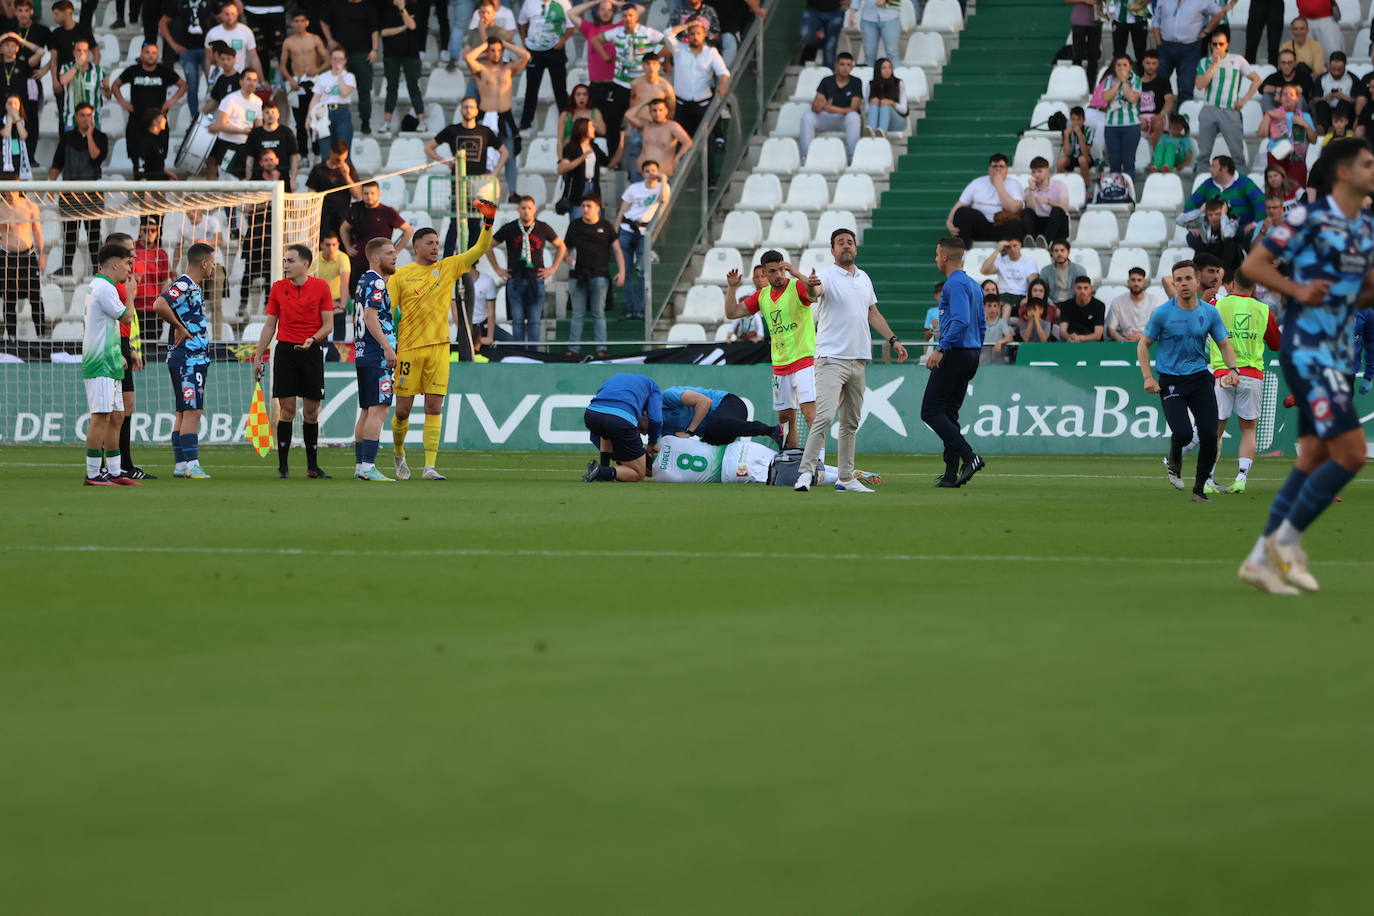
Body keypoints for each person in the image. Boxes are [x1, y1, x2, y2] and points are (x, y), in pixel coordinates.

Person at [1236, 138, 1374, 593]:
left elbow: (1360, 292)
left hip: (1337, 349)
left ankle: (1258, 559)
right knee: (1352, 453)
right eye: (1367, 164)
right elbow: (1254, 266)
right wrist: (1297, 292)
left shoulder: (1364, 227)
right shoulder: (1308, 219)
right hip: (1307, 347)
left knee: (1315, 455)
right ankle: (1286, 542)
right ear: (1342, 172)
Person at [389, 199, 498, 481]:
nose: (436, 247)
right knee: (402, 410)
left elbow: (480, 249)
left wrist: (487, 222)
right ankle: (399, 453)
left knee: (434, 407)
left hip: (439, 348)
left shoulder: (448, 267)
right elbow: (386, 315)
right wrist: (388, 348)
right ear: (417, 247)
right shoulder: (401, 277)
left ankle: (429, 466)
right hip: (409, 350)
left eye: (437, 242)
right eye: (430, 243)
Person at [795, 227, 907, 493]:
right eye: (840, 243)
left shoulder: (864, 278)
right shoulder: (826, 275)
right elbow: (814, 294)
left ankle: (845, 478)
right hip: (831, 359)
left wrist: (894, 340)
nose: (846, 246)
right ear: (832, 250)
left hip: (858, 360)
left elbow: (873, 313)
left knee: (850, 423)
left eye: (850, 242)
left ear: (855, 248)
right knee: (823, 418)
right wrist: (809, 285)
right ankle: (805, 473)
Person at [1137, 258, 1240, 502]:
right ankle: (1175, 459)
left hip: (1200, 378)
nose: (1183, 283)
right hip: (1171, 380)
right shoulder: (1162, 313)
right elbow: (1143, 345)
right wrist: (1148, 377)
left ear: (1196, 282)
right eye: (1178, 280)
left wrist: (1233, 369)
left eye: (1187, 279)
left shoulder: (1210, 312)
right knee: (1182, 434)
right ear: (1174, 283)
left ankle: (1199, 490)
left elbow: (1223, 344)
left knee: (1209, 434)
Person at [253, 243, 335, 479]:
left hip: (311, 351)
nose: (286, 265)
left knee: (311, 412)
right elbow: (270, 324)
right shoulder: (278, 288)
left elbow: (328, 324)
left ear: (305, 264)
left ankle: (312, 467)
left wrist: (312, 339)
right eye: (285, 261)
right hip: (286, 352)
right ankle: (283, 466)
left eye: (290, 261)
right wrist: (259, 355)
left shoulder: (321, 287)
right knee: (286, 410)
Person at [724, 250, 819, 450]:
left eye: (781, 270)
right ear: (764, 275)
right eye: (772, 272)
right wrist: (732, 288)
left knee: (810, 413)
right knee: (785, 418)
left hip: (804, 360)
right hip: (780, 365)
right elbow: (732, 313)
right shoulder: (762, 296)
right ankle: (789, 458)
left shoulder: (796, 287)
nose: (778, 275)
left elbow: (813, 294)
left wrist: (799, 275)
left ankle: (817, 464)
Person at [1204, 270, 1281, 494]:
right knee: (1248, 430)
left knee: (1216, 431)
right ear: (1255, 286)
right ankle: (1241, 478)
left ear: (1233, 284)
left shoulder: (1218, 305)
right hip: (1251, 375)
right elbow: (1276, 344)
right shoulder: (1264, 310)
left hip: (1223, 373)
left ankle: (1208, 480)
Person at [925, 237, 986, 488]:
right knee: (948, 413)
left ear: (946, 256)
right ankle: (951, 473)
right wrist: (975, 350)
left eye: (937, 255)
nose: (936, 259)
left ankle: (969, 456)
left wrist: (942, 348)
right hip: (970, 353)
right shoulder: (974, 285)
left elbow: (960, 321)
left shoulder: (954, 285)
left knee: (930, 411)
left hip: (955, 352)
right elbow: (981, 324)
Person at [80, 244, 138, 486]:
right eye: (127, 264)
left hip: (111, 360)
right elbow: (126, 317)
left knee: (117, 416)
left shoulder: (104, 286)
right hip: (100, 362)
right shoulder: (104, 288)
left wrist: (120, 354)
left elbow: (108, 326)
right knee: (101, 416)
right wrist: (132, 294)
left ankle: (115, 472)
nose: (129, 269)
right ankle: (93, 473)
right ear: (115, 264)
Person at [162, 242, 217, 480]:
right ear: (204, 262)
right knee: (193, 411)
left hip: (190, 358)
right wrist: (178, 327)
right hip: (188, 358)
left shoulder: (192, 287)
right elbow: (159, 303)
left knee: (183, 413)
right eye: (212, 262)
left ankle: (181, 464)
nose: (214, 266)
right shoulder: (183, 284)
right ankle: (192, 464)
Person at [427, 96, 507, 258]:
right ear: (461, 110)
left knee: (475, 223)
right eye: (465, 107)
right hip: (458, 183)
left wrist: (494, 174)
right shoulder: (452, 130)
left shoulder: (485, 131)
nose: (468, 110)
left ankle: (471, 261)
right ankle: (448, 259)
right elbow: (429, 148)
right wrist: (446, 163)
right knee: (455, 222)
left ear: (477, 110)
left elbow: (504, 152)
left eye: (471, 107)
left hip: (479, 185)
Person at [652, 433, 879, 486]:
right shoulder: (667, 439)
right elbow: (689, 436)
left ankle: (842, 479)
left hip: (736, 471)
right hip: (742, 450)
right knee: (790, 461)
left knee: (793, 473)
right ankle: (849, 473)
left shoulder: (661, 476)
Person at [352, 237, 399, 481]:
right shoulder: (377, 283)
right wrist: (387, 348)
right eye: (389, 253)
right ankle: (368, 467)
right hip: (377, 354)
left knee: (366, 410)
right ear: (375, 257)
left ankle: (361, 466)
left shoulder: (364, 280)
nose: (395, 256)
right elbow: (370, 317)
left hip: (362, 353)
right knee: (379, 410)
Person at [489, 196, 565, 342]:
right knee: (517, 321)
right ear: (518, 210)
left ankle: (533, 354)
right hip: (515, 279)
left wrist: (553, 269)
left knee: (534, 322)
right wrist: (498, 269)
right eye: (523, 208)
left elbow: (561, 246)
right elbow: (488, 246)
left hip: (535, 279)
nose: (526, 211)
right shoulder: (510, 228)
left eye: (529, 208)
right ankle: (519, 354)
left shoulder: (543, 227)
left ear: (535, 210)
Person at [465, 38, 531, 201]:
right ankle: (480, 193)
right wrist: (485, 44)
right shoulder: (481, 69)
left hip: (504, 115)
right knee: (482, 156)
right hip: (485, 116)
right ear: (487, 52)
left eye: (499, 50)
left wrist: (505, 43)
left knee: (508, 155)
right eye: (492, 50)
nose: (496, 54)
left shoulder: (508, 68)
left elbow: (526, 56)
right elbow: (468, 58)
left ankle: (512, 193)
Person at [597, 3, 665, 161]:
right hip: (620, 84)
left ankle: (650, 158)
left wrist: (654, 57)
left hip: (641, 84)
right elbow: (596, 40)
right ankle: (614, 158)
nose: (627, 18)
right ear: (621, 17)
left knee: (647, 120)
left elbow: (664, 42)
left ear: (637, 17)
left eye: (631, 15)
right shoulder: (617, 32)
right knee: (613, 120)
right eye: (625, 15)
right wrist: (606, 57)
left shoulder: (647, 32)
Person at [49, 102, 107, 278]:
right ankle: (66, 267)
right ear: (75, 117)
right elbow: (57, 163)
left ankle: (97, 268)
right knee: (69, 232)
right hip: (70, 191)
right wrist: (50, 186)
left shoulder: (100, 137)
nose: (85, 119)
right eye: (82, 115)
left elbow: (96, 157)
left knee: (94, 234)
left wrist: (89, 135)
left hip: (92, 191)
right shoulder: (66, 137)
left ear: (93, 117)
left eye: (89, 115)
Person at [563, 193, 624, 355]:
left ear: (597, 207)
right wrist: (566, 258)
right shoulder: (575, 226)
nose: (585, 209)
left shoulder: (606, 226)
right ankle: (573, 348)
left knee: (598, 313)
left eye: (589, 206)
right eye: (583, 206)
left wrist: (622, 271)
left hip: (600, 275)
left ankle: (601, 348)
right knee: (577, 314)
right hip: (578, 275)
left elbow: (617, 251)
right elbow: (564, 248)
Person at [112, 41, 185, 173]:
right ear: (141, 54)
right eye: (147, 52)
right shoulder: (133, 70)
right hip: (136, 122)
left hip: (158, 124)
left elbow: (183, 85)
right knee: (137, 163)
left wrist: (171, 101)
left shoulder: (164, 70)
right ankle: (139, 193)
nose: (150, 55)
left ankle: (157, 193)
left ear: (157, 55)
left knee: (158, 161)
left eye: (154, 53)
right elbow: (115, 85)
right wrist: (123, 103)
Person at [1194, 28, 1261, 165]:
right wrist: (1213, 66)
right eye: (1214, 44)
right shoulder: (1204, 62)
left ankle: (1241, 182)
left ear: (1227, 45)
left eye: (1221, 44)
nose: (1217, 47)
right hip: (1209, 109)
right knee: (1203, 155)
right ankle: (1202, 181)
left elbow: (1257, 79)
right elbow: (1200, 85)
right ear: (1210, 45)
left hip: (1230, 110)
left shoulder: (1237, 60)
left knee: (1237, 154)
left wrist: (1245, 100)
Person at [581, 371, 662, 482]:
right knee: (638, 474)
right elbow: (656, 420)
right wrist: (652, 443)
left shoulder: (614, 378)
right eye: (642, 429)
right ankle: (601, 471)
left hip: (591, 414)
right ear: (645, 413)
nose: (642, 432)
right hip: (621, 420)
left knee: (607, 433)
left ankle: (603, 472)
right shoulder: (653, 387)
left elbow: (597, 434)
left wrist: (621, 456)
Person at [616, 159, 669, 320]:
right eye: (647, 171)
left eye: (653, 170)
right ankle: (630, 308)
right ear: (643, 173)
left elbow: (664, 199)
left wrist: (663, 179)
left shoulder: (661, 187)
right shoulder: (634, 188)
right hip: (627, 229)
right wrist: (615, 228)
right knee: (626, 272)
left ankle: (640, 308)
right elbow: (623, 209)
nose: (651, 174)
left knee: (643, 272)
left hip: (644, 232)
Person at [1151, 0, 1228, 106]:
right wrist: (1158, 42)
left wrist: (1206, 31)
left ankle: (1183, 119)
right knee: (1158, 82)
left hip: (1189, 49)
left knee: (1186, 86)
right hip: (1166, 47)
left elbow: (1219, 13)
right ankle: (1158, 116)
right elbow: (1156, 20)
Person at [340, 181, 414, 291]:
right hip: (359, 261)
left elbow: (408, 230)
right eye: (366, 193)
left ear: (379, 194)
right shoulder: (355, 209)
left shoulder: (388, 212)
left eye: (372, 193)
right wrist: (347, 247)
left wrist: (396, 250)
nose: (369, 196)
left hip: (381, 262)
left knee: (381, 294)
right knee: (358, 294)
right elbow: (343, 229)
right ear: (362, 194)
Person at [663, 16, 728, 139]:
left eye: (699, 33)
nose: (695, 36)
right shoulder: (679, 49)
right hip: (681, 105)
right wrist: (688, 25)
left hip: (702, 105)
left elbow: (723, 72)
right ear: (687, 35)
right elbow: (667, 34)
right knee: (681, 141)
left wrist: (722, 84)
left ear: (704, 35)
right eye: (692, 33)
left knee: (706, 141)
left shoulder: (711, 52)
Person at [321, 0, 379, 136]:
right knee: (334, 86)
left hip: (362, 54)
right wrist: (329, 39)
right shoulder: (337, 4)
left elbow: (374, 30)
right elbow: (323, 21)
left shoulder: (368, 6)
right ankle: (331, 119)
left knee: (364, 89)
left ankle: (365, 121)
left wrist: (375, 49)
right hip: (340, 54)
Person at [516, 0, 574, 132]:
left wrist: (563, 41)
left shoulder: (563, 3)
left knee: (560, 90)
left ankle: (567, 124)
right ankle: (526, 124)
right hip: (534, 51)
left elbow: (572, 25)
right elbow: (521, 22)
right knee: (531, 89)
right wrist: (524, 40)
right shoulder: (529, 3)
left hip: (555, 50)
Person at [660, 385, 782, 445]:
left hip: (730, 403)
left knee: (717, 424)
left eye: (643, 428)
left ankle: (772, 431)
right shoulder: (660, 429)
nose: (644, 432)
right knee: (705, 453)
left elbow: (705, 402)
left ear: (645, 414)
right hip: (714, 433)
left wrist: (689, 432)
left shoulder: (667, 396)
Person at [1178, 155, 1266, 237]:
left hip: (1240, 226)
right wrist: (1192, 225)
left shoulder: (1245, 182)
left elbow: (1260, 201)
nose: (1210, 169)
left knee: (1252, 235)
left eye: (1213, 166)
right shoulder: (1208, 184)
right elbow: (1191, 203)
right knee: (1193, 237)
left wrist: (1256, 223)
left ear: (1224, 168)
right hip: (1214, 227)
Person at [279, 8, 328, 153]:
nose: (299, 24)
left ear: (307, 22)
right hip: (298, 83)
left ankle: (317, 152)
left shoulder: (315, 39)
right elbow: (282, 66)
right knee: (300, 122)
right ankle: (304, 154)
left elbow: (327, 60)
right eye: (296, 21)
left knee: (315, 118)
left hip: (314, 82)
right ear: (292, 23)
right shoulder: (288, 42)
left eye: (302, 21)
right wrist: (290, 80)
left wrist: (317, 71)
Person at [947, 153, 1024, 243]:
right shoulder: (977, 182)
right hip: (981, 226)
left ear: (1006, 170)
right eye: (994, 166)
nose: (998, 169)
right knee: (962, 212)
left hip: (1002, 226)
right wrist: (949, 221)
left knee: (1014, 224)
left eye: (1001, 166)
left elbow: (1014, 209)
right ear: (989, 169)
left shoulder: (1014, 184)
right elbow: (960, 203)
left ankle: (1006, 253)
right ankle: (964, 251)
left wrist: (1000, 188)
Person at [160, 0, 219, 117]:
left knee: (213, 83)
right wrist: (173, 45)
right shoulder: (179, 2)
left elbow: (222, 17)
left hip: (206, 49)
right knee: (192, 85)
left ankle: (215, 116)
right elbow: (162, 23)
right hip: (187, 50)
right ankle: (194, 117)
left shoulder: (210, 2)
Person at [800, 50, 862, 161]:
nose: (845, 68)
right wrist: (822, 107)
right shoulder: (826, 81)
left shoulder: (856, 82)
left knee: (854, 117)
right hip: (828, 117)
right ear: (836, 66)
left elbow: (854, 108)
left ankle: (853, 157)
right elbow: (816, 107)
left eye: (848, 65)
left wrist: (831, 108)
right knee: (807, 117)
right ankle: (806, 157)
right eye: (842, 64)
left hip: (844, 119)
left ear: (852, 67)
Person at [0, 185, 43, 339]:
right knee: (8, 298)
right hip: (6, 256)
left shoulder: (30, 206)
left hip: (28, 256)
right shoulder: (0, 207)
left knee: (36, 297)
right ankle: (11, 337)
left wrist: (42, 255)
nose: (10, 194)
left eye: (13, 190)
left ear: (19, 188)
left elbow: (37, 231)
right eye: (7, 190)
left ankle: (41, 337)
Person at [206, 67, 262, 179]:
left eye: (255, 80)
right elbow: (221, 125)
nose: (252, 83)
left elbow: (259, 126)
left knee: (243, 179)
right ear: (241, 81)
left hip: (246, 146)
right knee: (227, 179)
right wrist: (242, 131)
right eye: (249, 79)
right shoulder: (230, 99)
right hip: (228, 144)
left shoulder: (258, 102)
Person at [380, 0, 426, 135]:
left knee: (414, 88)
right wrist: (402, 28)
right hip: (391, 54)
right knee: (391, 87)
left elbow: (412, 25)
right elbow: (383, 32)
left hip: (411, 54)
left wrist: (402, 9)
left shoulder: (414, 6)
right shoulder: (385, 7)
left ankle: (422, 121)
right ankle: (386, 123)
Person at [620, 96, 691, 178]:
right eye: (654, 110)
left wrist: (678, 157)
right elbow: (628, 115)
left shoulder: (672, 126)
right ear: (650, 112)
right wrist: (646, 102)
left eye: (660, 110)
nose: (657, 114)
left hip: (662, 175)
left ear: (666, 111)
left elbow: (688, 142)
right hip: (641, 174)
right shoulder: (645, 125)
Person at [1258, 85, 1314, 186]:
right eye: (1284, 94)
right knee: (1276, 192)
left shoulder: (1305, 116)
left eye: (1291, 94)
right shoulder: (1272, 114)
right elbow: (1262, 134)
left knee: (1297, 191)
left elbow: (1313, 140)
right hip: (1276, 157)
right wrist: (1267, 115)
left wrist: (1306, 125)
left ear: (1297, 99)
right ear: (1279, 98)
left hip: (1296, 157)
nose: (1288, 97)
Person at [307, 47, 357, 160]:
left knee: (343, 150)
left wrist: (339, 75)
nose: (337, 62)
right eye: (334, 59)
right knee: (325, 151)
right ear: (330, 60)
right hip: (324, 112)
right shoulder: (323, 77)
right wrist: (309, 117)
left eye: (340, 59)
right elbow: (315, 98)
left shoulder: (349, 77)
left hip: (342, 112)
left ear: (345, 61)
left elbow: (344, 93)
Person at [307, 140, 362, 240]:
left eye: (343, 159)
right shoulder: (318, 169)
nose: (340, 163)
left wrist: (347, 176)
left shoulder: (349, 168)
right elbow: (311, 194)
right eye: (337, 159)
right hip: (323, 215)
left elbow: (358, 195)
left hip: (343, 215)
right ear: (330, 153)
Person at [1103, 55, 1143, 183]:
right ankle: (1114, 192)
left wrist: (1124, 82)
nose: (1121, 68)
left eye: (1125, 65)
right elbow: (1106, 97)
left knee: (1128, 161)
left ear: (1130, 67)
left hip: (1131, 125)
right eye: (1118, 65)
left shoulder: (1136, 80)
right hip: (1111, 125)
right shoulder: (1109, 80)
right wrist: (1119, 82)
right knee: (1114, 161)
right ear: (1114, 67)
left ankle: (1129, 193)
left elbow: (1132, 98)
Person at [555, 116, 610, 210]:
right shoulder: (572, 147)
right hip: (578, 187)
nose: (594, 129)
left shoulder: (594, 146)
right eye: (591, 126)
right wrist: (581, 158)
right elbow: (561, 169)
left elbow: (607, 162)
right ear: (583, 128)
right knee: (577, 213)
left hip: (593, 185)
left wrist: (621, 144)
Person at [56, 38, 107, 135]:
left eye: (85, 51)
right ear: (73, 52)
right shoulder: (67, 67)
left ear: (89, 53)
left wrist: (107, 88)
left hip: (93, 121)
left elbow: (108, 95)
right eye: (79, 50)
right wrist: (77, 65)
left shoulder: (98, 71)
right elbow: (63, 80)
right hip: (71, 121)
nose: (82, 53)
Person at [244, 102, 300, 191]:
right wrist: (248, 181)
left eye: (273, 112)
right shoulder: (254, 134)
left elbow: (294, 157)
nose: (270, 115)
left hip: (283, 180)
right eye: (267, 112)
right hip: (259, 181)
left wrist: (293, 179)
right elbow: (249, 159)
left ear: (278, 114)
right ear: (262, 115)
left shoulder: (286, 132)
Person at [204, 2, 262, 84]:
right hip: (218, 80)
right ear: (221, 15)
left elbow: (254, 58)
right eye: (227, 14)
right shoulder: (212, 33)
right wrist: (209, 81)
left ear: (238, 14)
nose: (230, 17)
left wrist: (261, 80)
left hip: (239, 79)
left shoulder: (246, 32)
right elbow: (208, 60)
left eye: (233, 14)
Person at [309, 232, 351, 341]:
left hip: (337, 300)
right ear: (321, 245)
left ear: (338, 245)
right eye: (328, 245)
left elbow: (344, 283)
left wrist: (342, 305)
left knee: (339, 322)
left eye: (334, 245)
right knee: (321, 334)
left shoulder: (342, 257)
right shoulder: (315, 258)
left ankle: (338, 355)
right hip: (320, 300)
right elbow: (309, 283)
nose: (331, 248)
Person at [1311, 50, 1365, 133]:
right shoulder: (1322, 79)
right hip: (1327, 111)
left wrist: (1343, 97)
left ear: (1345, 65)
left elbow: (1357, 101)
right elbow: (1314, 100)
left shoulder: (1353, 79)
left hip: (1345, 114)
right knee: (1322, 104)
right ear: (1329, 65)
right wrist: (1325, 98)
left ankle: (1337, 127)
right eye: (1333, 69)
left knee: (1344, 102)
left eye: (1339, 70)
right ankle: (1322, 128)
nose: (1336, 72)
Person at [979, 237, 1038, 312]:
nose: (1012, 249)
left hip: (1021, 295)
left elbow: (1034, 282)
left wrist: (1029, 297)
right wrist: (997, 250)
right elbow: (983, 271)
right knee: (1006, 306)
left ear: (1020, 245)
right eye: (1009, 247)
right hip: (1003, 295)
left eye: (1015, 246)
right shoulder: (1001, 261)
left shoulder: (1029, 262)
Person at [1106, 268, 1160, 341]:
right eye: (1133, 280)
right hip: (1124, 341)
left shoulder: (1154, 301)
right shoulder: (1117, 301)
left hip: (1147, 341)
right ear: (1128, 282)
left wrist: (1143, 337)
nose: (1136, 283)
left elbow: (1160, 328)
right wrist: (1122, 340)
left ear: (1144, 282)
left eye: (1139, 280)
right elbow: (1110, 329)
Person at [1139, 49, 1175, 148]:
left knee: (1158, 123)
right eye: (1148, 63)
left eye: (1153, 63)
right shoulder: (1136, 82)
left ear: (1158, 64)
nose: (1150, 66)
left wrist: (1161, 114)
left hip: (1158, 115)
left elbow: (1169, 100)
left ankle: (1156, 156)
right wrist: (1138, 118)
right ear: (1143, 63)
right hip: (1140, 117)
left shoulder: (1163, 81)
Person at [1258, 48, 1314, 113]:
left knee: (1298, 96)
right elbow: (1261, 88)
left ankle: (1295, 121)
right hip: (1278, 111)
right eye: (1283, 63)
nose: (1286, 66)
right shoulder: (1275, 76)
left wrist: (1281, 94)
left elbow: (1300, 89)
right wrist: (1276, 89)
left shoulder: (1304, 76)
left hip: (1300, 112)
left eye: (1289, 62)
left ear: (1295, 63)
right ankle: (1271, 120)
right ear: (1279, 64)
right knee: (1266, 96)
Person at [864, 57, 906, 139]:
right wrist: (872, 103)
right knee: (875, 103)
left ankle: (881, 133)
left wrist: (891, 103)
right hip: (877, 122)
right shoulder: (870, 85)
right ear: (878, 70)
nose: (887, 70)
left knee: (885, 105)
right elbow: (866, 111)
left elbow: (904, 110)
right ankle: (872, 131)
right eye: (884, 68)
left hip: (897, 122)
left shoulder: (899, 83)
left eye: (889, 67)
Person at [1057, 275, 1106, 342]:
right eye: (1079, 288)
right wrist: (1068, 337)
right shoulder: (1066, 305)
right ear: (1074, 289)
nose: (1082, 291)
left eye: (1086, 288)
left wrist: (1080, 338)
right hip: (1071, 339)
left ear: (1091, 289)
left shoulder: (1099, 306)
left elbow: (1098, 335)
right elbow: (1062, 331)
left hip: (1091, 341)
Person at [1039, 238, 1088, 303]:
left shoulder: (1079, 270)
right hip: (1052, 303)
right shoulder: (1045, 271)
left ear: (1068, 252)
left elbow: (1083, 290)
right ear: (1052, 253)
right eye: (1056, 251)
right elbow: (1041, 291)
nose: (1059, 254)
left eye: (1062, 250)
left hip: (1073, 303)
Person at [1057, 105, 1094, 185]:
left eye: (1079, 119)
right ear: (1071, 120)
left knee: (1082, 159)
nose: (1076, 122)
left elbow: (1085, 153)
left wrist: (1080, 136)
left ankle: (1085, 186)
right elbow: (1067, 153)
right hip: (1072, 156)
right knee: (1061, 161)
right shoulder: (1068, 130)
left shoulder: (1088, 130)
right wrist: (1066, 136)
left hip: (1085, 157)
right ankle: (1063, 185)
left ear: (1084, 120)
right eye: (1074, 119)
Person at [981, 294, 1015, 365]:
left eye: (995, 306)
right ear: (984, 307)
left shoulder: (1001, 322)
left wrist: (1000, 342)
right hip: (982, 361)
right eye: (989, 306)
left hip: (998, 363)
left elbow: (1009, 337)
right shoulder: (980, 323)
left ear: (998, 308)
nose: (992, 309)